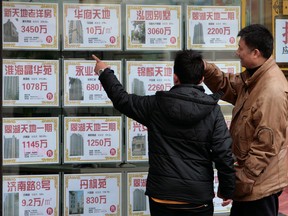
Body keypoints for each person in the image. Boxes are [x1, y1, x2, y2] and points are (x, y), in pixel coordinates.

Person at [92, 50, 235, 216]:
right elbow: (223, 152)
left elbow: (122, 100)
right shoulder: (213, 111)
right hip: (197, 199)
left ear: (175, 77)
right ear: (202, 79)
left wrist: (104, 72)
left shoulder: (156, 105)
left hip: (163, 196)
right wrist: (227, 190)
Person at [202, 24, 288, 216]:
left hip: (259, 187)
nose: (237, 52)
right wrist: (206, 69)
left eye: (241, 48)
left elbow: (265, 147)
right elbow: (229, 85)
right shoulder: (254, 77)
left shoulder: (271, 91)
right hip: (251, 185)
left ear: (255, 53)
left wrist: (238, 182)